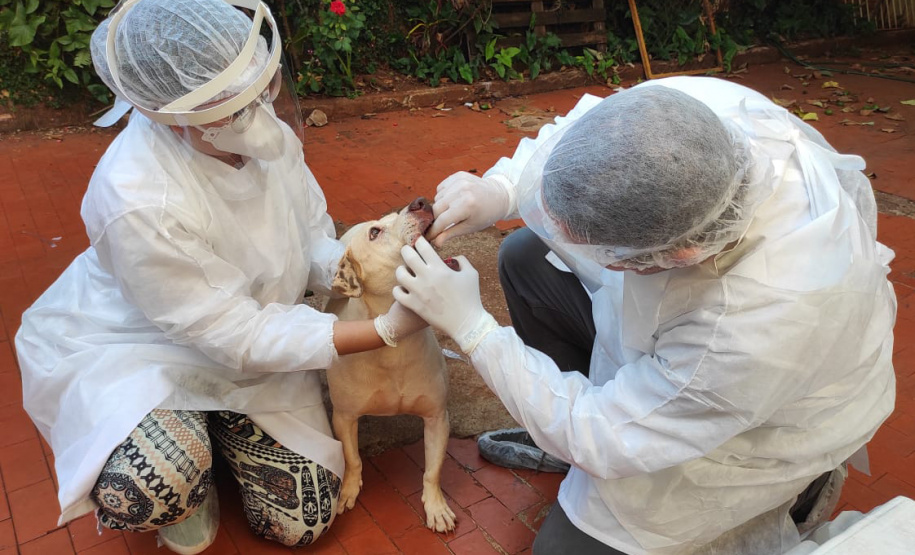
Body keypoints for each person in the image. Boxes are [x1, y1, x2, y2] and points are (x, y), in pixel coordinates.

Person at [395, 77, 897, 554]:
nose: (568, 240)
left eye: (601, 250)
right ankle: (559, 426)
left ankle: (803, 491)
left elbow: (602, 434)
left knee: (561, 550)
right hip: (693, 349)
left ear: (678, 255)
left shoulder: (754, 326)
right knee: (527, 253)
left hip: (758, 430)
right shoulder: (684, 112)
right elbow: (585, 138)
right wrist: (503, 188)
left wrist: (473, 329)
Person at [14, 1, 426, 553]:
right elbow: (234, 333)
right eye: (234, 106)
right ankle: (188, 485)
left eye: (263, 89)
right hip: (146, 352)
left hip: (259, 345)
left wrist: (365, 265)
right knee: (151, 485)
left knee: (301, 522)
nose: (260, 113)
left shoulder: (254, 135)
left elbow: (308, 232)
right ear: (171, 113)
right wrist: (385, 330)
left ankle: (225, 427)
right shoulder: (137, 197)